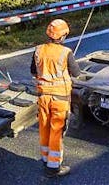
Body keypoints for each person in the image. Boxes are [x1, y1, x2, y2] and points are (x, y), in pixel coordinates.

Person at [31, 19, 81, 178]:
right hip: (59, 98)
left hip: (43, 96)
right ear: (63, 36)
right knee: (57, 131)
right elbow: (77, 73)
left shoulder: (38, 50)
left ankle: (46, 160)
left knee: (44, 127)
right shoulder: (66, 52)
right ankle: (54, 168)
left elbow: (33, 71)